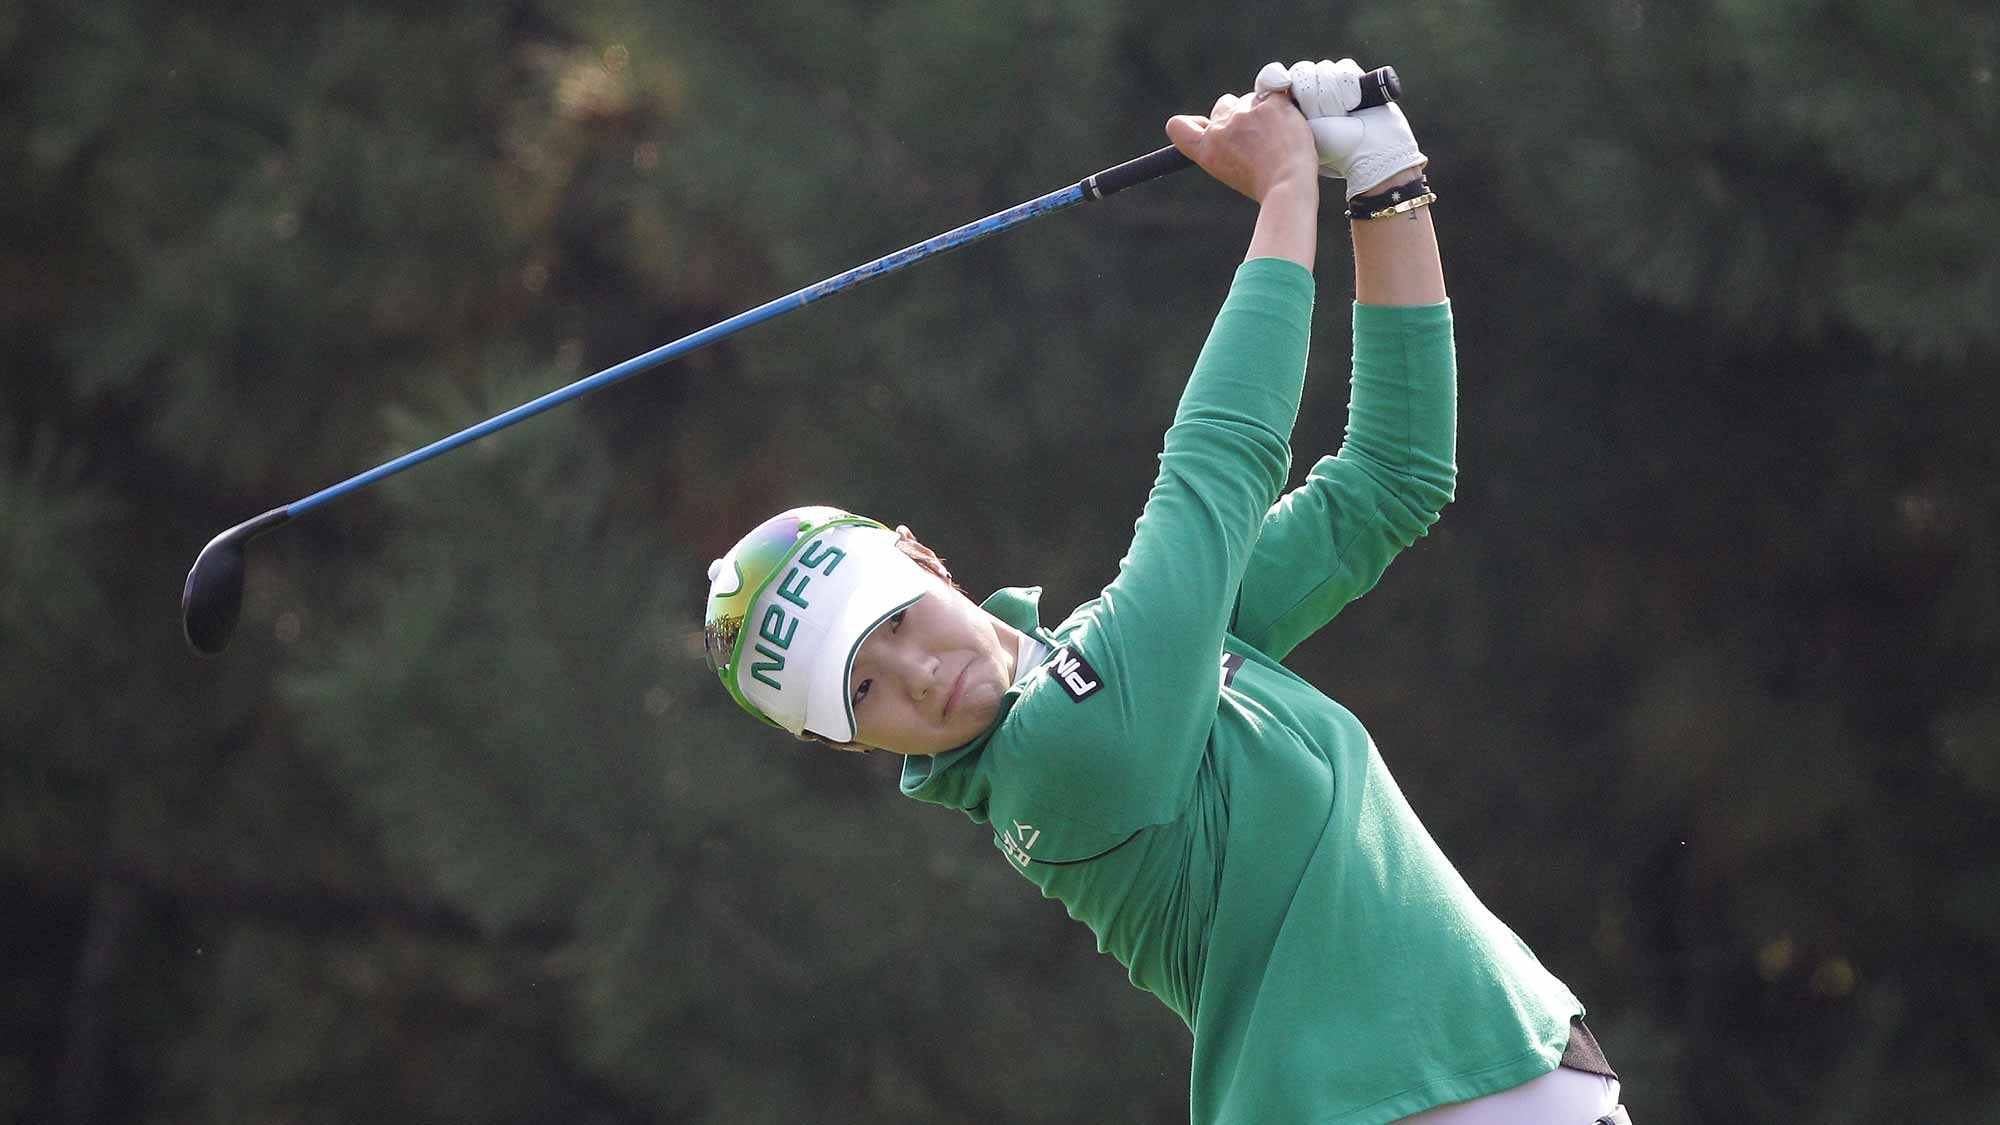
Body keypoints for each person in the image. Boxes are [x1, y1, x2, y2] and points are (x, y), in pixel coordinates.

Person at [701, 59, 1632, 1125]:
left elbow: (1390, 480)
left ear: (922, 556)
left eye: (896, 623)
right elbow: (1213, 472)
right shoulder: (1057, 759)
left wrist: (1380, 176)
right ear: (846, 747)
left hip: (1482, 1086)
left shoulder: (1139, 658)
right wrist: (1284, 194)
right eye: (862, 693)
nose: (918, 675)